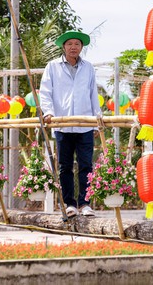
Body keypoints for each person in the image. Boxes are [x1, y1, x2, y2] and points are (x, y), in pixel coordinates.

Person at [39, 30, 101, 218]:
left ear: (81, 47)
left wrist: (97, 122)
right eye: (70, 44)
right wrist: (48, 112)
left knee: (86, 165)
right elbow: (45, 92)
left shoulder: (88, 68)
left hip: (85, 124)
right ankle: (69, 204)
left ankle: (85, 203)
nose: (74, 47)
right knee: (65, 166)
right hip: (62, 124)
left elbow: (93, 94)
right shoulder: (52, 67)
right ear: (63, 47)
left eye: (77, 44)